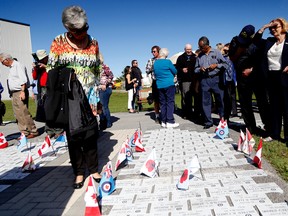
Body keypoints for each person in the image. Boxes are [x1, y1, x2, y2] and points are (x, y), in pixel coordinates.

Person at [46, 5, 102, 189]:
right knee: (74, 136)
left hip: (90, 94)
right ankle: (78, 172)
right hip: (69, 96)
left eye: (85, 28)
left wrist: (97, 91)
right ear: (68, 28)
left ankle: (93, 168)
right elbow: (51, 69)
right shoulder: (58, 41)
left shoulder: (93, 41)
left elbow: (97, 67)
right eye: (78, 30)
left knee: (91, 134)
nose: (83, 33)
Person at [229, 25, 271, 136]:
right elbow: (232, 57)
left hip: (257, 76)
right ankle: (250, 128)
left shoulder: (260, 43)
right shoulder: (235, 40)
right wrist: (240, 49)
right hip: (241, 77)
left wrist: (251, 69)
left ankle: (269, 127)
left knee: (262, 102)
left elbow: (263, 59)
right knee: (245, 104)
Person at [253, 18, 288, 142]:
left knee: (286, 107)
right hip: (271, 77)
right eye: (271, 28)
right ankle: (275, 134)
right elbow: (255, 41)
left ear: (283, 26)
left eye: (276, 26)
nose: (273, 29)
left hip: (285, 76)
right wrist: (264, 27)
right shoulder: (269, 41)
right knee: (274, 107)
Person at [0, 53, 39, 138]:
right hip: (14, 93)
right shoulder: (12, 68)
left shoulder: (18, 65)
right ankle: (24, 132)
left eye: (2, 62)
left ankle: (33, 131)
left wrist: (22, 91)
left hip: (20, 91)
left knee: (24, 112)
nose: (2, 64)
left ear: (6, 60)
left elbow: (23, 79)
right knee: (18, 114)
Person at [194, 36, 228, 129]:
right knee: (205, 102)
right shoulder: (200, 55)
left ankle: (222, 121)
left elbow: (225, 64)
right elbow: (195, 69)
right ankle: (208, 121)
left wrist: (216, 65)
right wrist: (200, 69)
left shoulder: (216, 52)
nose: (200, 49)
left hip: (216, 79)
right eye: (199, 47)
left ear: (207, 45)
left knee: (220, 101)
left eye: (202, 47)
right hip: (204, 80)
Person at [153, 48, 179, 128]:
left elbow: (155, 74)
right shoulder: (168, 62)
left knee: (163, 103)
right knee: (170, 102)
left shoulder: (155, 63)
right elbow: (175, 71)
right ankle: (170, 121)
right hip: (169, 84)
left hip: (160, 85)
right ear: (166, 54)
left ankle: (163, 121)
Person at [216, 43, 238, 122]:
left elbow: (232, 70)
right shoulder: (221, 58)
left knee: (230, 98)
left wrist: (234, 80)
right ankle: (225, 116)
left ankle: (230, 114)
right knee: (225, 99)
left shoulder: (229, 57)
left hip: (230, 80)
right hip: (224, 80)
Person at [175, 44, 197, 120]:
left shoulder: (195, 57)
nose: (189, 51)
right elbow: (176, 68)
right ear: (185, 49)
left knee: (196, 97)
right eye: (187, 49)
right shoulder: (180, 58)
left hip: (194, 80)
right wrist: (182, 69)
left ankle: (196, 113)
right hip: (185, 80)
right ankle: (186, 113)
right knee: (186, 98)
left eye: (190, 49)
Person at [32, 49, 48, 122]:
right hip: (42, 88)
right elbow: (35, 77)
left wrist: (46, 67)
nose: (41, 61)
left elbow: (54, 72)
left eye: (42, 59)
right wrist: (35, 68)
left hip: (50, 87)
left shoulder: (51, 64)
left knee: (50, 107)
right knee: (43, 107)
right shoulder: (39, 65)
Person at [145, 45, 161, 123]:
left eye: (154, 51)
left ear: (159, 51)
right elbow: (147, 70)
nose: (153, 53)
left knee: (163, 99)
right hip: (155, 81)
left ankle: (165, 115)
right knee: (156, 100)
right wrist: (152, 67)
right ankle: (157, 116)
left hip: (163, 81)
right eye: (152, 52)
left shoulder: (163, 59)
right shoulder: (151, 60)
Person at [99, 63, 114, 128]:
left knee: (103, 106)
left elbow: (111, 75)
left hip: (105, 89)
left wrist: (105, 83)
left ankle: (107, 122)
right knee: (101, 106)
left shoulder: (104, 67)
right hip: (100, 88)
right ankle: (103, 122)